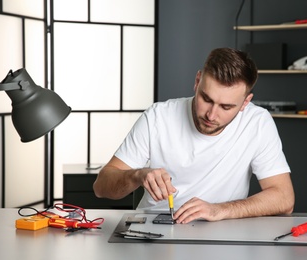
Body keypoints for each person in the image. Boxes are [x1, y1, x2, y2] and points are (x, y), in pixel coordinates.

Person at [93, 47, 294, 224]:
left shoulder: (258, 122)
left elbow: (284, 198)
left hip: (224, 229)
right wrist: (137, 175)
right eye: (206, 99)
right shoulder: (157, 116)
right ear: (197, 82)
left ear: (245, 103)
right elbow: (101, 188)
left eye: (226, 107)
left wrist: (220, 209)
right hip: (153, 229)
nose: (211, 115)